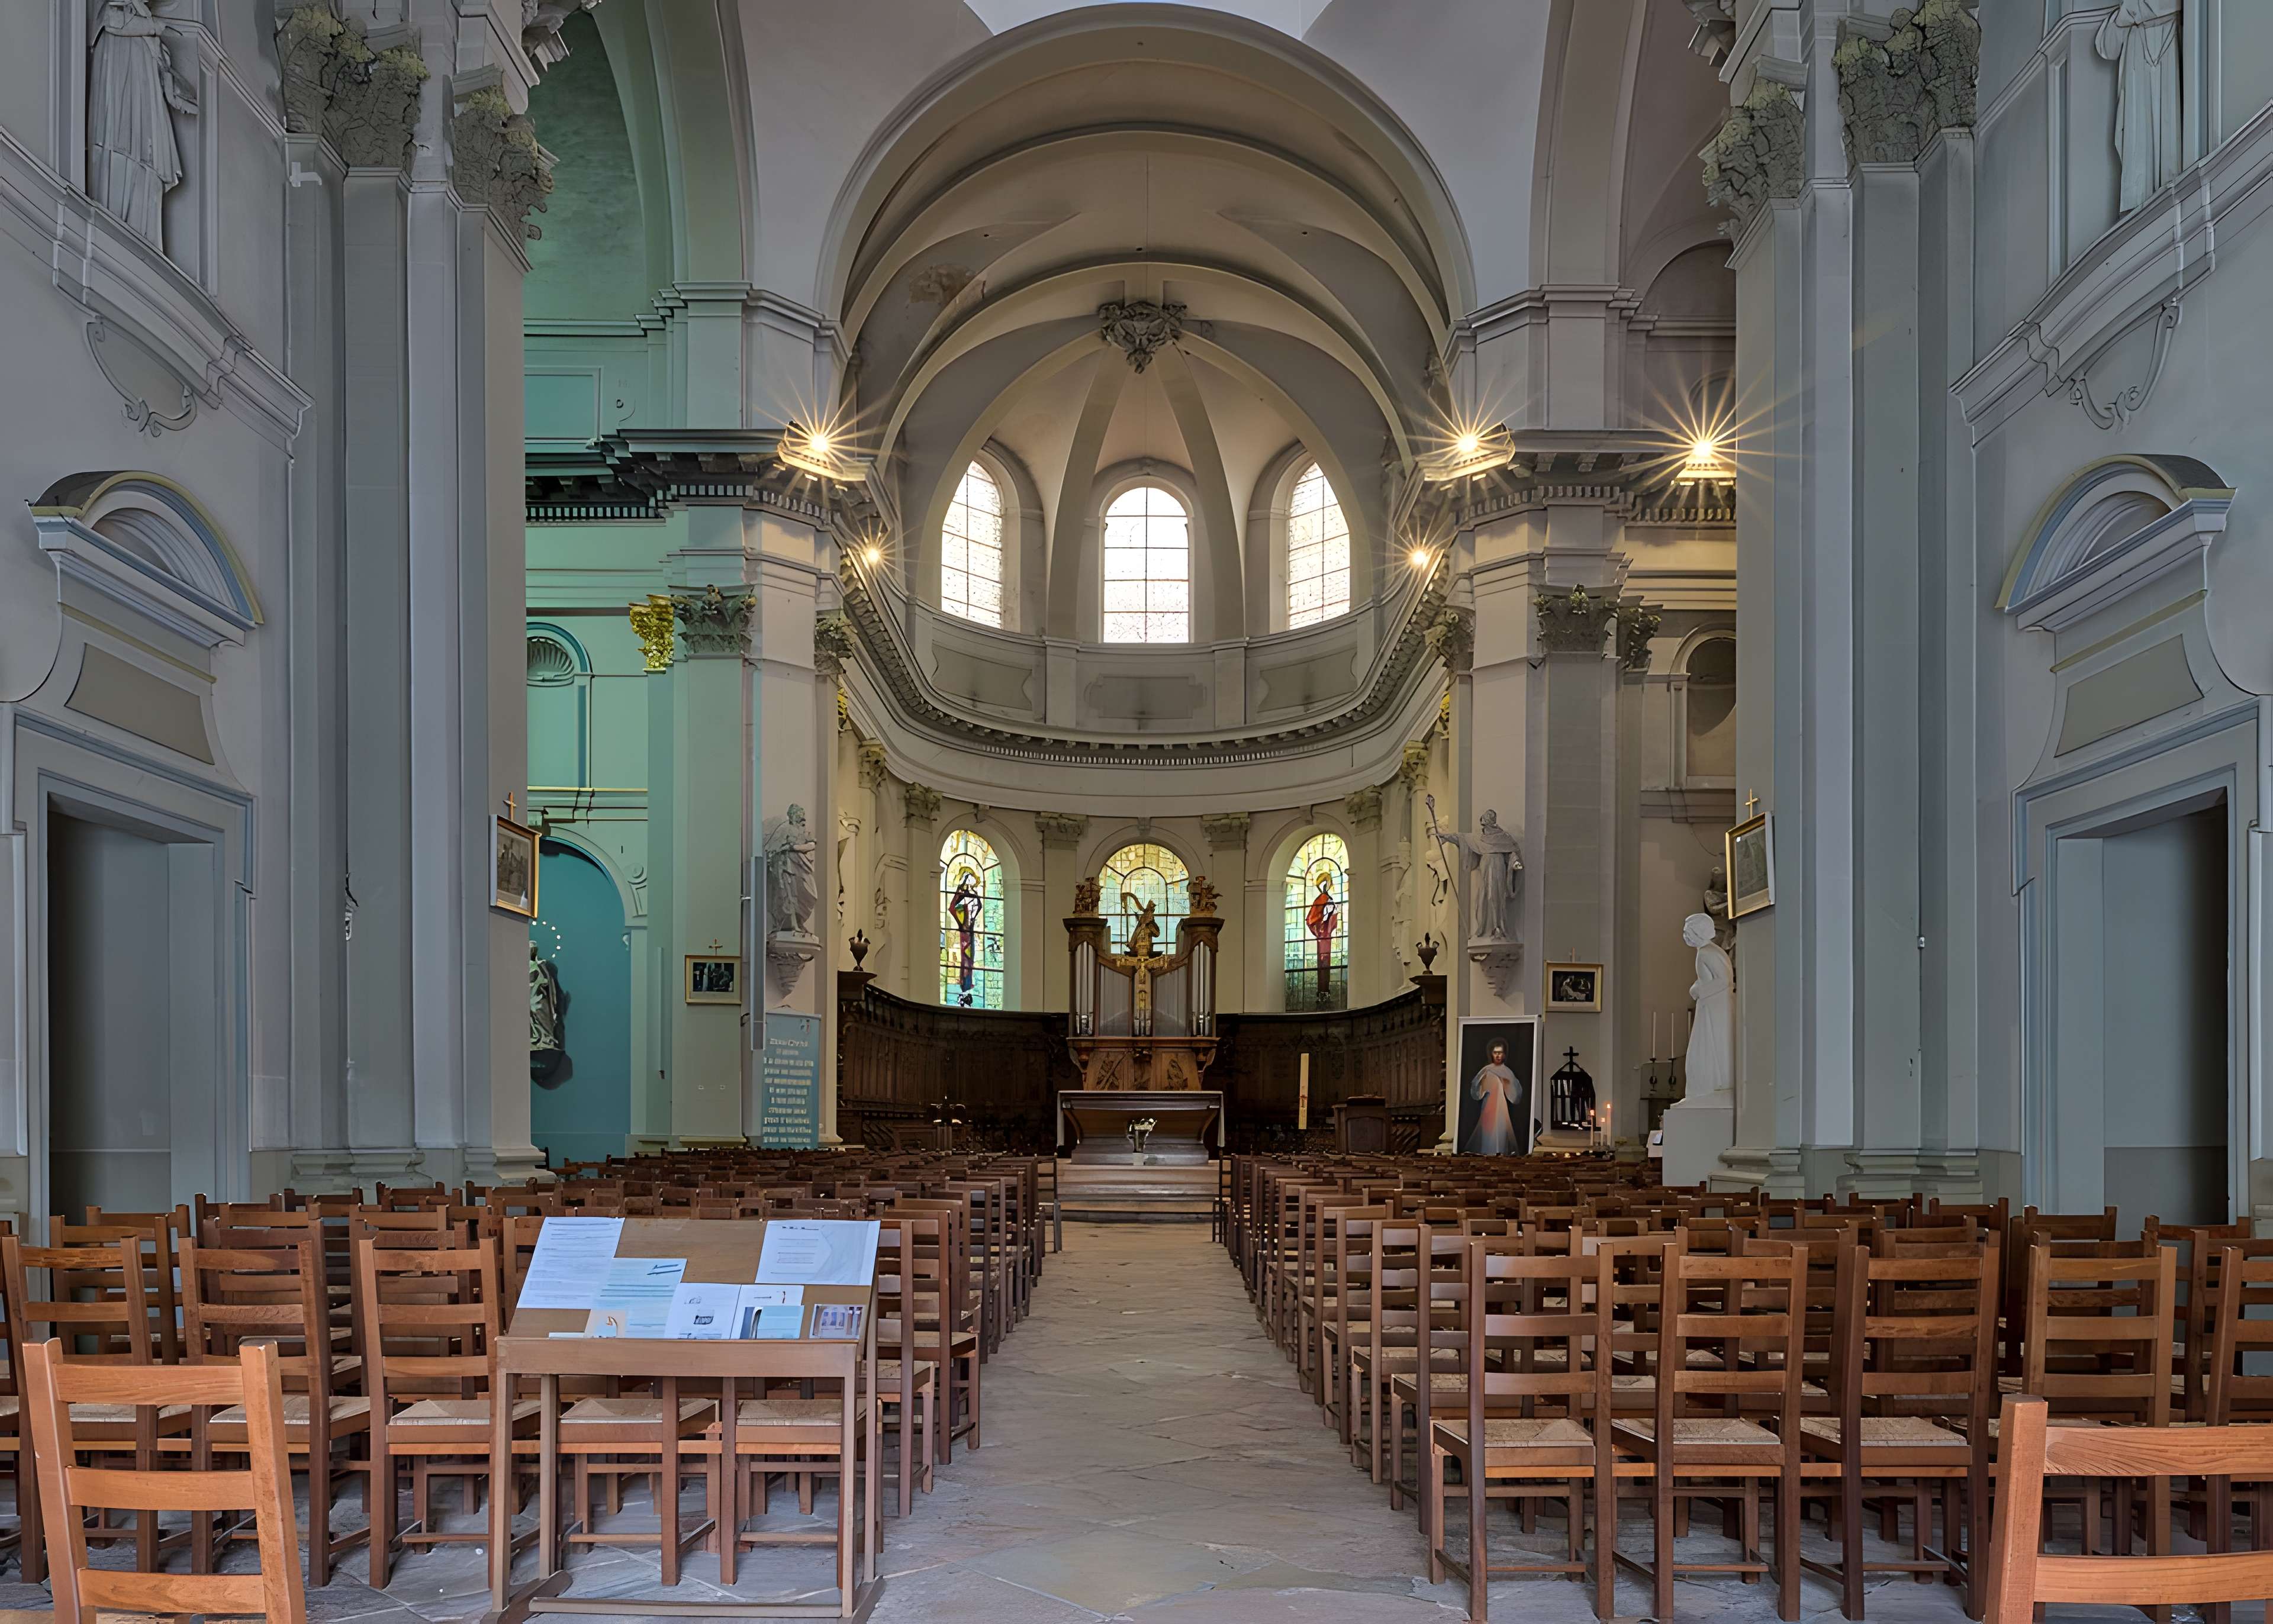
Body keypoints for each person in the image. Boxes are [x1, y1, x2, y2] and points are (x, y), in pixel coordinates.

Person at [1465, 1040, 1526, 1155]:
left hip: (1502, 1108)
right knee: (1488, 1134)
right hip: (1489, 1108)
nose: (1498, 1055)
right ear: (1491, 1054)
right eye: (1495, 1052)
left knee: (1501, 1133)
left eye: (1501, 1052)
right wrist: (1483, 1089)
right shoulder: (1487, 1070)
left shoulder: (1507, 1072)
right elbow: (1476, 1088)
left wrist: (1507, 1083)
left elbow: (1516, 1094)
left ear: (1504, 1054)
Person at [948, 870, 982, 1004]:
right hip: (964, 934)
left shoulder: (973, 896)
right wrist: (966, 913)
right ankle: (964, 985)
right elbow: (953, 908)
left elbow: (978, 906)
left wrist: (972, 911)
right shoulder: (960, 897)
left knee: (970, 958)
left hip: (970, 932)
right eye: (969, 880)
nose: (971, 883)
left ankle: (968, 985)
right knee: (966, 959)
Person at [1304, 873, 1339, 996]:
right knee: (1322, 962)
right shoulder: (1320, 900)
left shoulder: (1329, 899)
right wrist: (1325, 916)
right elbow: (1311, 919)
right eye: (1325, 884)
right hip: (1322, 936)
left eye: (1327, 884)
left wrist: (1333, 913)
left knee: (1326, 962)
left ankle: (1326, 990)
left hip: (1327, 936)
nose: (1327, 886)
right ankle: (1322, 990)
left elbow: (1334, 919)